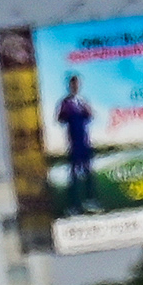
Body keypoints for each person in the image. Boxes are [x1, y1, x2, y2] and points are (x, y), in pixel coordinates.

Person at [56, 77, 98, 215]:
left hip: (84, 141)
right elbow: (60, 118)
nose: (75, 87)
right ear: (69, 86)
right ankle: (74, 205)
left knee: (88, 173)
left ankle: (90, 201)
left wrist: (86, 110)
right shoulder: (66, 102)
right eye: (73, 84)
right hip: (73, 143)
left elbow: (91, 116)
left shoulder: (82, 101)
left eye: (77, 84)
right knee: (74, 176)